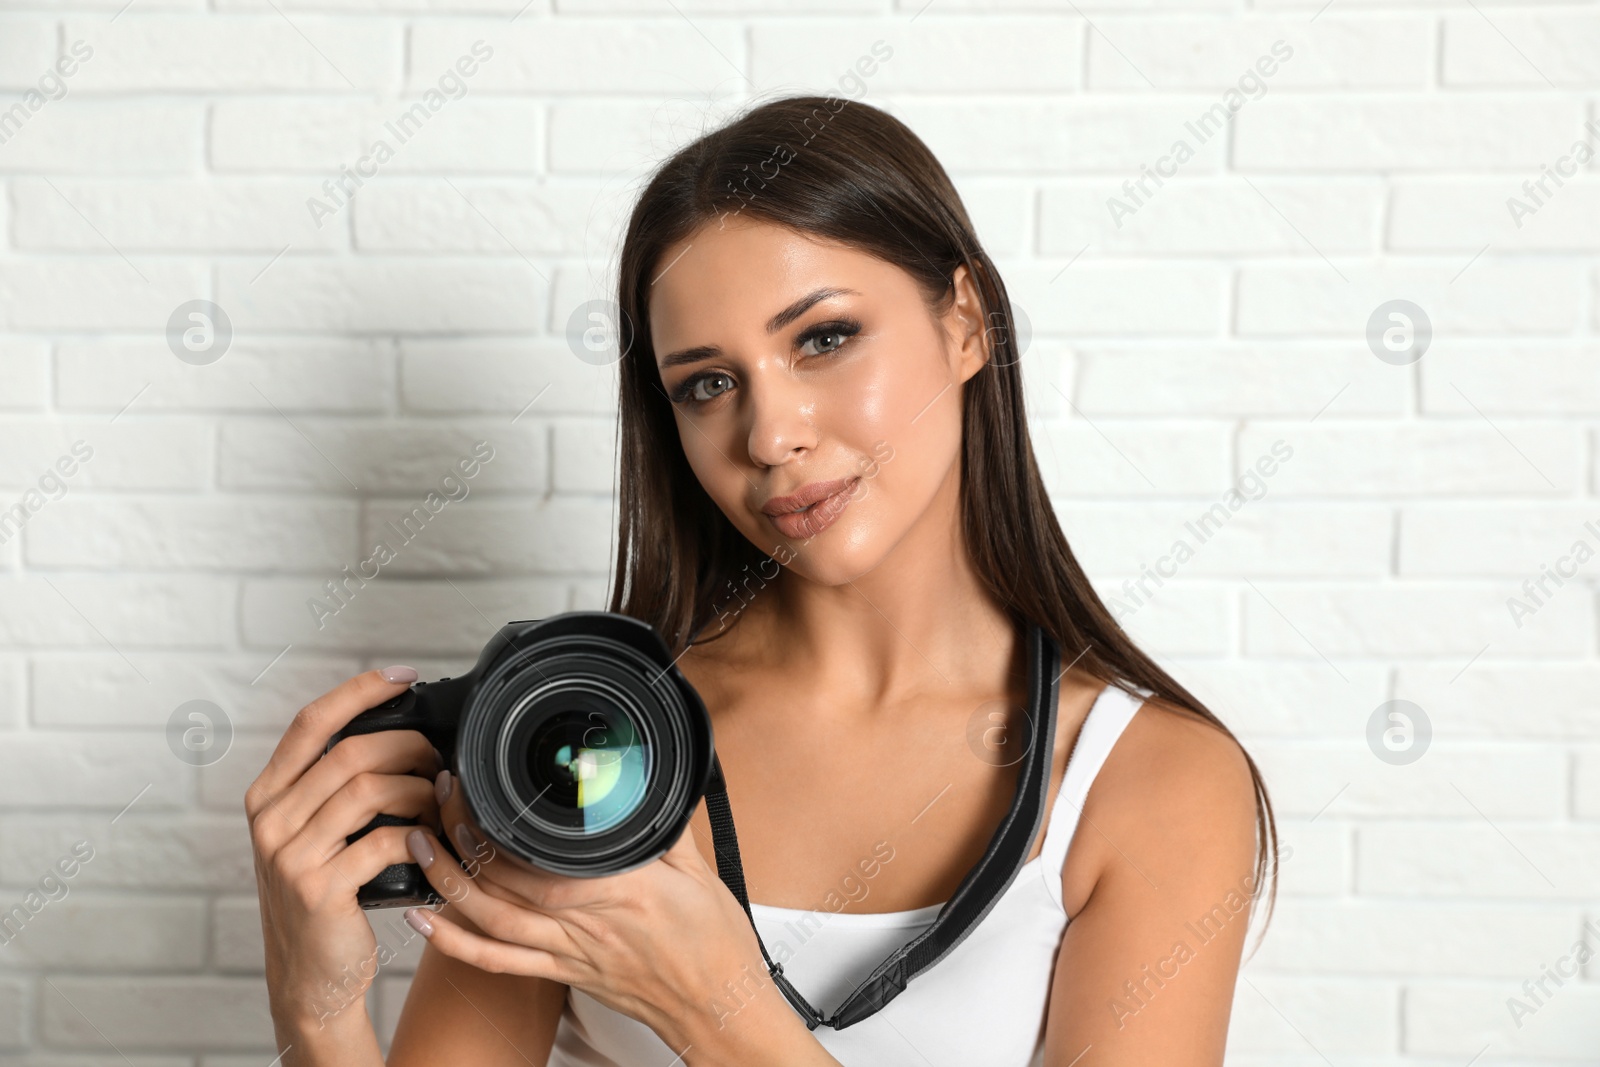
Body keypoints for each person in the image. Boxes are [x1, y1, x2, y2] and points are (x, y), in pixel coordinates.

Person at [246, 93, 1278, 1067]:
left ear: (964, 322)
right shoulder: (589, 737)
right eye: (707, 383)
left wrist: (718, 1011)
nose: (771, 434)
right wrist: (317, 1006)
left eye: (824, 338)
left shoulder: (1153, 783)